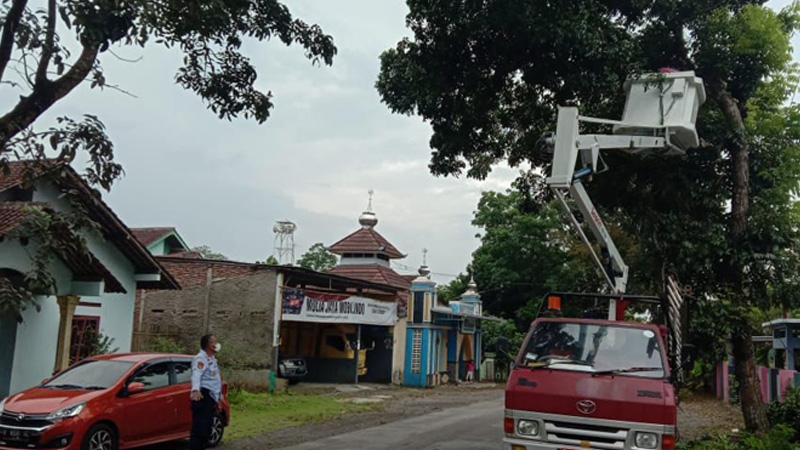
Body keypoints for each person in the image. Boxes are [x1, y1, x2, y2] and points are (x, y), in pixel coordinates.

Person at [189, 334, 223, 450]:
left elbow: (215, 382)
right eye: (214, 342)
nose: (216, 344)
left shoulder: (212, 360)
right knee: (200, 430)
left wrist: (218, 400)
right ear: (208, 345)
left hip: (211, 397)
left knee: (206, 431)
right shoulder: (201, 358)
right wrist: (196, 390)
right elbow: (196, 375)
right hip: (203, 396)